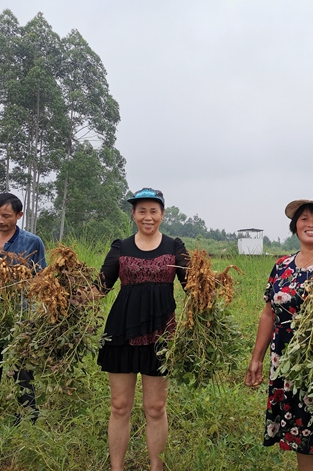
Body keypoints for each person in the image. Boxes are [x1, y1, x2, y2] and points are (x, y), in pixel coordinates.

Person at [245, 199, 313, 471]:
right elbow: (268, 314)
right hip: (285, 362)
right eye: (304, 219)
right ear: (295, 227)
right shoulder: (282, 266)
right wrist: (257, 358)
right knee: (300, 439)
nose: (311, 224)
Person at [91, 187, 189, 471]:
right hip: (121, 330)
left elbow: (193, 287)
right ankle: (116, 468)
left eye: (153, 211)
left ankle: (156, 467)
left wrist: (211, 288)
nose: (148, 217)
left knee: (155, 408)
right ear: (133, 214)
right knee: (120, 405)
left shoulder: (174, 246)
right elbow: (100, 288)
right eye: (142, 211)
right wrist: (64, 294)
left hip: (161, 334)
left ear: (162, 214)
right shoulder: (121, 247)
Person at [0, 192, 46, 424]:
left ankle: (26, 419)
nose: (0, 220)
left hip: (18, 319)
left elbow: (40, 278)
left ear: (19, 215)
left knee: (23, 374)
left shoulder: (32, 242)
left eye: (6, 215)